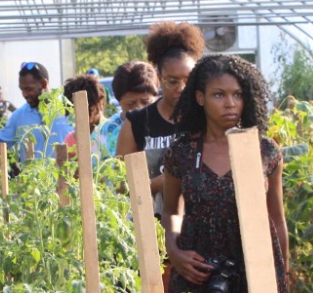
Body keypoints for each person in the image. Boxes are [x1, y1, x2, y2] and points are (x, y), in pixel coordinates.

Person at [161, 54, 290, 293]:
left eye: (237, 95)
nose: (230, 104)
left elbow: (277, 218)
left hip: (253, 272)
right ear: (199, 98)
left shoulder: (265, 151)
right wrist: (174, 249)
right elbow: (172, 210)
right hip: (198, 270)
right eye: (219, 95)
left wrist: (281, 276)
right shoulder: (182, 153)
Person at [116, 22, 206, 216]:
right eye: (172, 81)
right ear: (158, 78)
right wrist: (157, 184)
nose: (181, 88)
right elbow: (119, 187)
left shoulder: (206, 118)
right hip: (151, 231)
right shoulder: (137, 123)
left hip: (200, 228)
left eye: (188, 80)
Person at [0, 61, 72, 162]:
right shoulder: (20, 115)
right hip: (35, 188)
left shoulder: (68, 108)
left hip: (68, 186)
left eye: (28, 89)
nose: (24, 94)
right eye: (21, 89)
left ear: (43, 84)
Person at [97, 60, 160, 159]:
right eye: (130, 103)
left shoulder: (167, 122)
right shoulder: (106, 132)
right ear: (119, 101)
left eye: (145, 101)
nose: (139, 108)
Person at [61, 74, 107, 159]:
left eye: (88, 108)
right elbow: (67, 170)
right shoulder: (72, 139)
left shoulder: (110, 131)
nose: (78, 115)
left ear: (100, 103)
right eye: (73, 110)